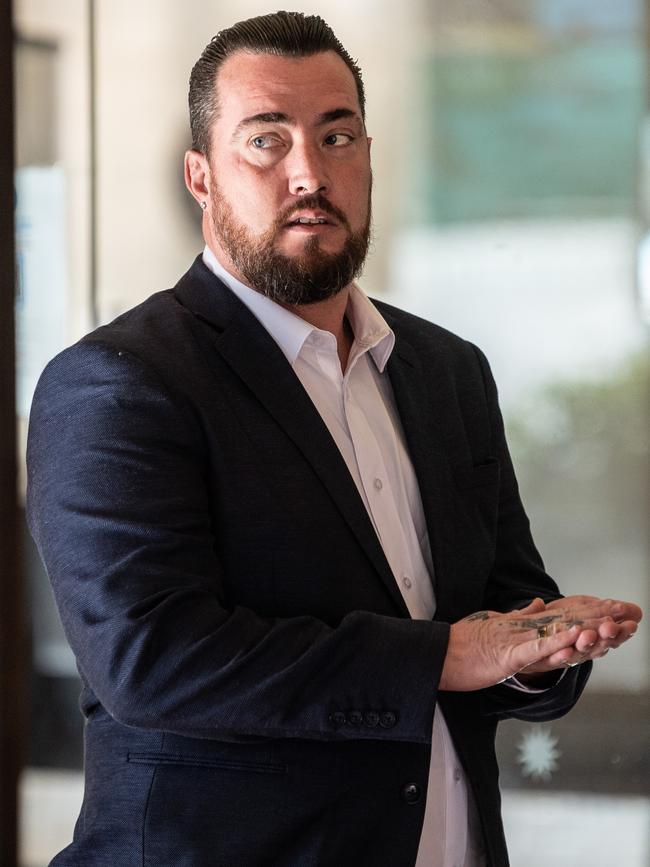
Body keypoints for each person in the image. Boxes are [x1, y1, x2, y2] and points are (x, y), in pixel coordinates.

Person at [27, 11, 642, 867]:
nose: (309, 173)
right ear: (201, 177)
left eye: (337, 134)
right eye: (265, 141)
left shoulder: (446, 369)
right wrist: (444, 656)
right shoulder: (119, 382)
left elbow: (502, 604)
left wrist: (538, 651)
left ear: (369, 158)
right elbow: (151, 657)